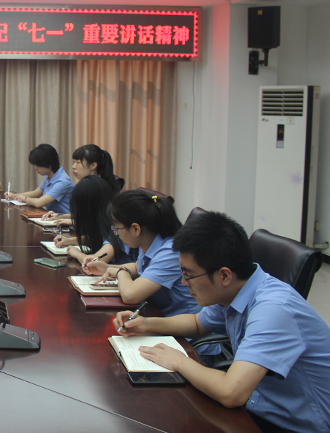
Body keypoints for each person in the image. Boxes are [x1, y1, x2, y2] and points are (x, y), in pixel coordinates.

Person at [115, 211, 330, 433]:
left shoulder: (274, 309)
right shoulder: (234, 290)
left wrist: (179, 361)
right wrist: (146, 324)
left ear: (224, 275)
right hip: (260, 407)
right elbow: (198, 323)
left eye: (189, 275)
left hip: (300, 426)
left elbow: (231, 392)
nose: (184, 283)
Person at [86, 190, 198, 317]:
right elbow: (137, 267)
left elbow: (130, 296)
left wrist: (121, 271)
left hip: (182, 323)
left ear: (135, 229)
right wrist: (107, 267)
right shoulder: (149, 240)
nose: (116, 234)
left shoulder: (170, 253)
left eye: (117, 229)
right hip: (157, 313)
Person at [58, 175, 131, 263]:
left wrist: (77, 254)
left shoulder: (116, 226)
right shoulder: (105, 219)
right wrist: (69, 241)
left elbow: (94, 262)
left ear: (89, 208)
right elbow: (97, 238)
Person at [42, 144, 121, 223]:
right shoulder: (89, 183)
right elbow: (83, 215)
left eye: (78, 162)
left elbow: (94, 221)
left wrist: (70, 222)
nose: (73, 166)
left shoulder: (95, 186)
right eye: (74, 162)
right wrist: (59, 216)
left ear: (93, 165)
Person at [3, 144, 73, 214]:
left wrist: (25, 198)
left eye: (38, 165)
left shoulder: (62, 182)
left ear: (48, 163)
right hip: (52, 217)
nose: (35, 168)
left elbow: (39, 203)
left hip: (64, 219)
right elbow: (35, 193)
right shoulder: (50, 176)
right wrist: (15, 196)